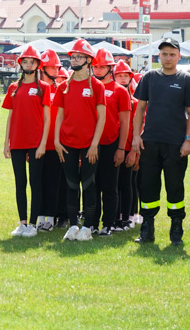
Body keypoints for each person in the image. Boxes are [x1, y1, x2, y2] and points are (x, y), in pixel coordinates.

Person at [130, 38, 190, 244]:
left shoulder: (186, 80)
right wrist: (136, 136)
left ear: (179, 56)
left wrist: (188, 140)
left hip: (175, 144)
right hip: (149, 142)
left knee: (175, 186)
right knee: (148, 186)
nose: (168, 58)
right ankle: (147, 229)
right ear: (158, 56)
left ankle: (176, 228)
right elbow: (140, 109)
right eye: (164, 54)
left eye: (172, 54)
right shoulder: (149, 77)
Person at [53, 40, 106, 241]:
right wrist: (57, 141)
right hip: (67, 143)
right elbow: (59, 116)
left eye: (78, 57)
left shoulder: (97, 86)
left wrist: (94, 144)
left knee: (89, 184)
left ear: (88, 60)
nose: (74, 60)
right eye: (72, 56)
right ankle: (73, 225)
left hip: (89, 144)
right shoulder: (63, 87)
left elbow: (102, 117)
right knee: (71, 184)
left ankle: (89, 226)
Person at [3, 45, 51, 237]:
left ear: (38, 65)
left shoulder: (44, 88)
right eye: (25, 61)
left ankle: (33, 224)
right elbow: (10, 115)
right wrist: (7, 142)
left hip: (35, 141)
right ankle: (22, 222)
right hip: (17, 141)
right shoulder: (14, 87)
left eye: (32, 61)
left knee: (35, 183)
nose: (28, 64)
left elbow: (47, 118)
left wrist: (42, 144)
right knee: (20, 182)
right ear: (20, 64)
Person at [89, 48, 131, 237]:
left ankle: (108, 223)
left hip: (111, 144)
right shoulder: (89, 88)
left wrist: (121, 148)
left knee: (109, 186)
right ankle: (91, 222)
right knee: (91, 186)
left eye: (102, 67)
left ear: (110, 68)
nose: (98, 70)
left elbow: (125, 123)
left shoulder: (120, 91)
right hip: (90, 145)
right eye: (95, 67)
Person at [38, 50, 68, 230]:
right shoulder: (38, 89)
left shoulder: (63, 89)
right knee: (42, 182)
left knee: (61, 182)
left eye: (57, 68)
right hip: (41, 144)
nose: (56, 71)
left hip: (60, 144)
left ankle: (63, 215)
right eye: (52, 67)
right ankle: (44, 216)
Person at [113, 60, 139, 231]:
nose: (122, 79)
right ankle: (114, 217)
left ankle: (128, 217)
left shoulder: (135, 102)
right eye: (119, 75)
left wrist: (134, 151)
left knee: (127, 183)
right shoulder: (110, 98)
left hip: (129, 147)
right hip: (113, 147)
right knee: (113, 185)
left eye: (125, 76)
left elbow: (137, 127)